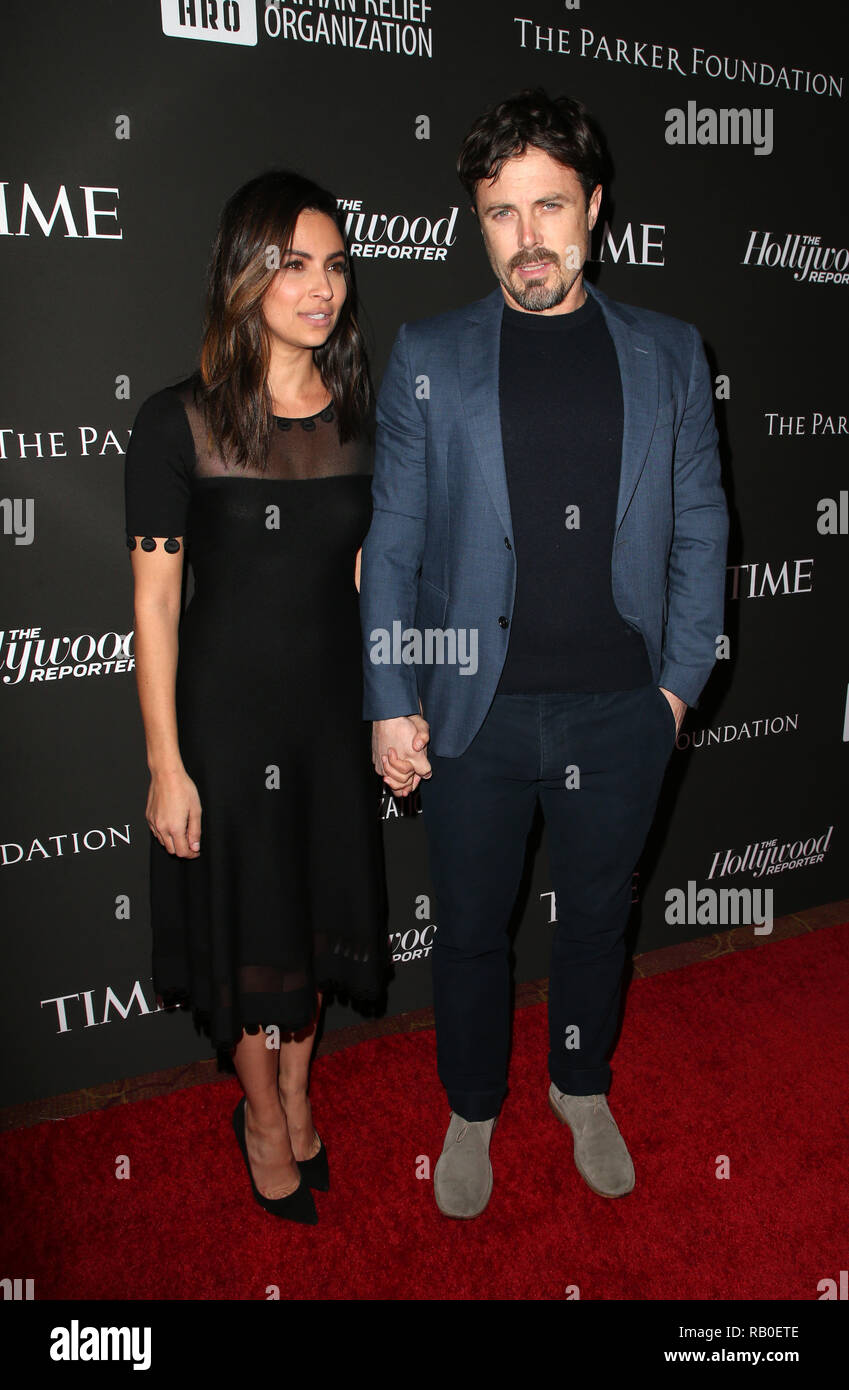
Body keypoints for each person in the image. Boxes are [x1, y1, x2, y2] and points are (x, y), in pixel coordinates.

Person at [360, 89, 728, 1218]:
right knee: (470, 927)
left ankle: (580, 1084)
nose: (527, 236)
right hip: (477, 711)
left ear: (594, 207)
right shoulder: (432, 354)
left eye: (549, 206)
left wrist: (674, 690)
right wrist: (390, 697)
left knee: (596, 918)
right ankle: (473, 1102)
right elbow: (399, 540)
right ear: (480, 221)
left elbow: (706, 523)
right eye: (501, 212)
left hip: (622, 706)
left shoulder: (669, 352)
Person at [125, 170, 387, 1225]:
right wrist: (166, 762)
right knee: (251, 937)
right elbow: (155, 607)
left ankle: (300, 1087)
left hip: (328, 723)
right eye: (290, 263)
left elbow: (376, 585)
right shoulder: (175, 423)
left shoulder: (367, 426)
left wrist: (395, 708)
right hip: (225, 732)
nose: (318, 287)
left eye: (332, 265)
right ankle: (263, 1116)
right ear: (245, 273)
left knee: (316, 925)